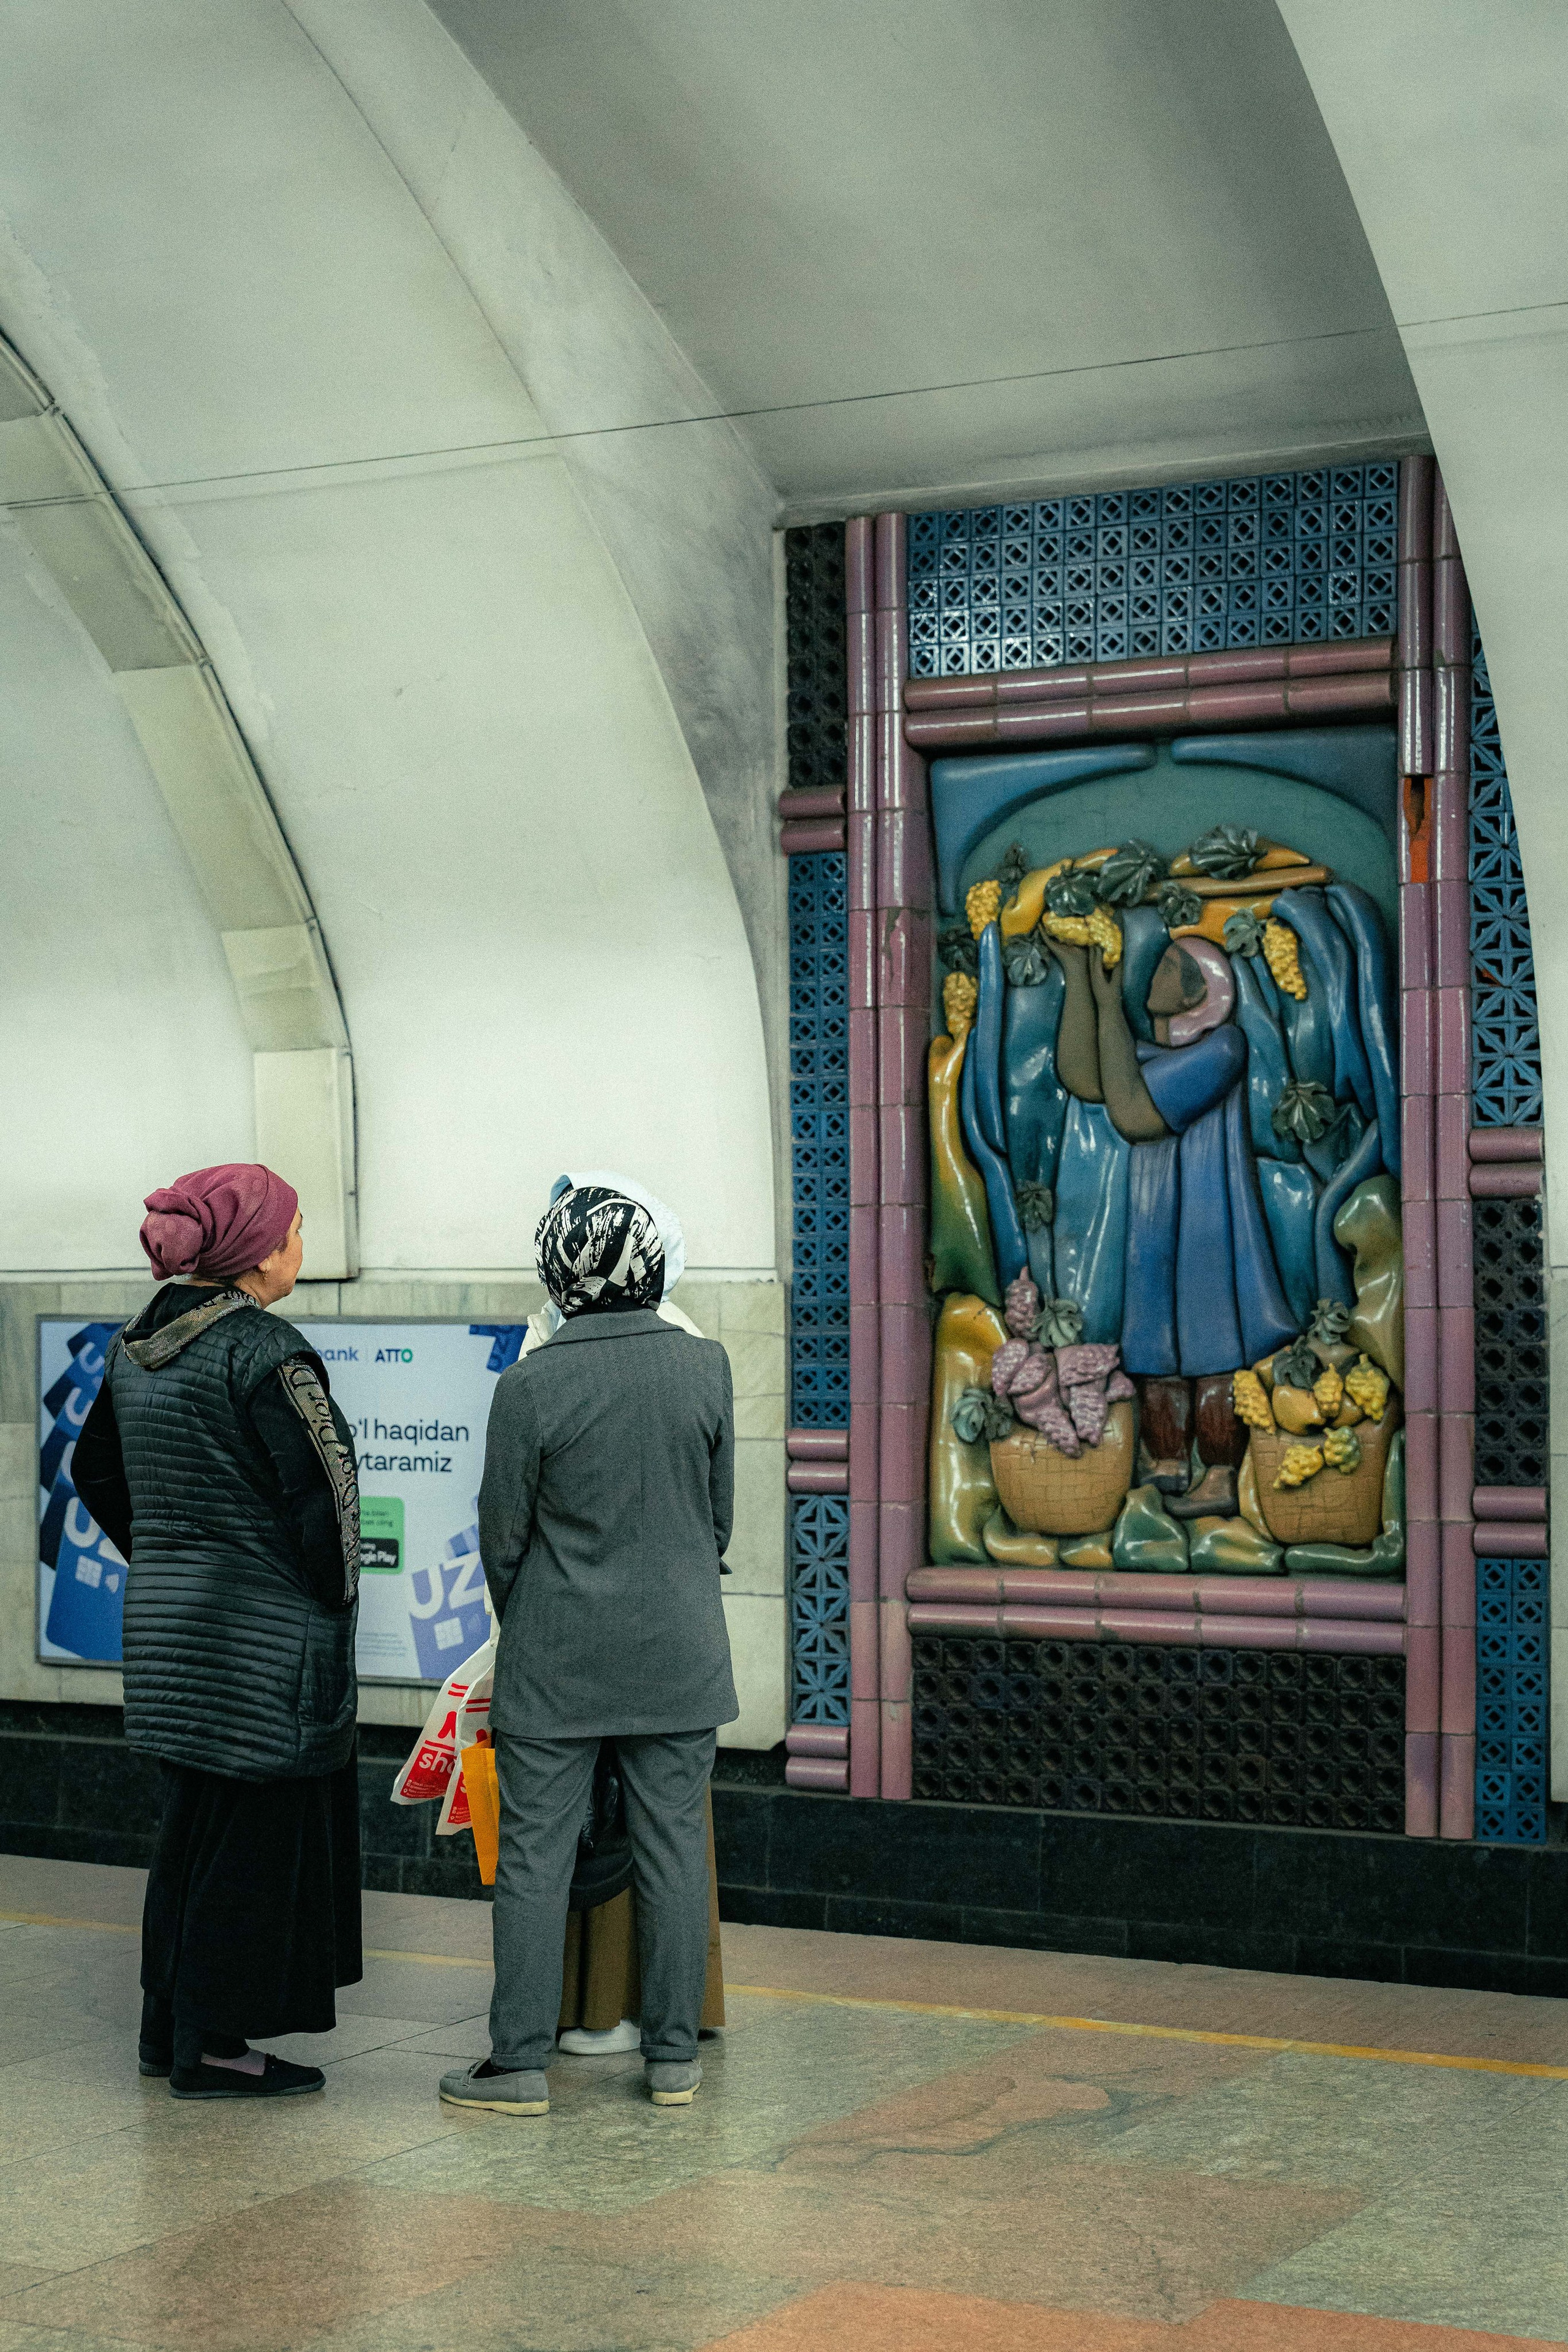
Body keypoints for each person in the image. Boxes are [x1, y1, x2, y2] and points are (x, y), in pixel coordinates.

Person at [440, 1180, 737, 2117]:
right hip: (681, 1655)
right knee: (673, 1849)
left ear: (557, 1276)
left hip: (558, 1659)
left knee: (535, 1856)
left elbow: (501, 1538)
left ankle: (520, 2066)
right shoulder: (707, 1366)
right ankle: (674, 2061)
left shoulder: (530, 1385)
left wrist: (537, 1619)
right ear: (648, 1265)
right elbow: (718, 1519)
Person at [73, 1164, 361, 2100]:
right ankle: (217, 2047)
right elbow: (328, 1503)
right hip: (264, 1645)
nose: (301, 1248)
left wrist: (164, 1553)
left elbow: (95, 1472)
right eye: (295, 1232)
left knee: (191, 1830)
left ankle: (170, 2029)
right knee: (252, 1846)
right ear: (257, 1252)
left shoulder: (134, 1346)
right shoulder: (267, 1352)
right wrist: (329, 1600)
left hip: (171, 1633)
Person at [1047, 914, 1297, 1515]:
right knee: (1154, 1353)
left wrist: (1111, 1005)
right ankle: (1164, 1465)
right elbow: (1083, 1075)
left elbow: (1134, 1116)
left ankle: (1216, 1475)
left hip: (1210, 1232)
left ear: (1201, 990)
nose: (1157, 972)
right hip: (1154, 1229)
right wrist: (1079, 977)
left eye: (1172, 967)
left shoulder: (1223, 1049)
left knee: (1212, 1351)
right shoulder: (1149, 1055)